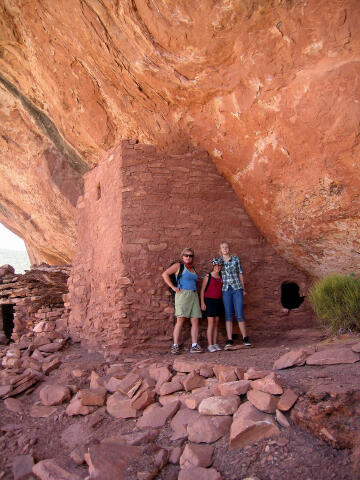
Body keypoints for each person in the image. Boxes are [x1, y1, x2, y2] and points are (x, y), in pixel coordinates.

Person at [162, 248, 202, 354]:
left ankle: (194, 345)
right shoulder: (179, 266)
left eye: (190, 255)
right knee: (180, 319)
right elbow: (165, 274)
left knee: (195, 320)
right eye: (186, 255)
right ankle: (175, 346)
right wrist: (173, 287)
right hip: (183, 294)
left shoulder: (192, 268)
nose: (188, 257)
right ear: (182, 256)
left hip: (193, 295)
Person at [219, 241, 251, 349]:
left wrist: (243, 288)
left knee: (239, 313)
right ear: (220, 249)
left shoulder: (236, 259)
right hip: (225, 289)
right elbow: (214, 273)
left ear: (229, 249)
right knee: (228, 314)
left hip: (237, 288)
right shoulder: (219, 261)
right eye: (223, 247)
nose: (225, 249)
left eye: (226, 247)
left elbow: (240, 273)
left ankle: (245, 337)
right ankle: (229, 339)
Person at [200, 258, 223, 353]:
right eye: (216, 265)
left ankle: (215, 343)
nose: (218, 267)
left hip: (218, 301)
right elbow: (202, 290)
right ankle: (210, 345)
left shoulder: (221, 277)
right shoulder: (208, 276)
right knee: (211, 322)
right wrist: (202, 302)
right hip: (209, 301)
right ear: (213, 266)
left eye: (219, 265)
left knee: (217, 323)